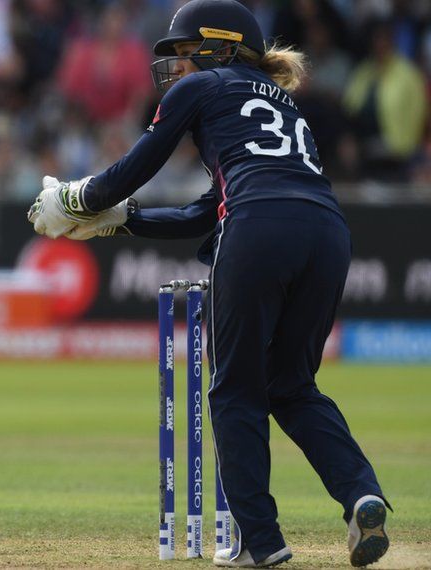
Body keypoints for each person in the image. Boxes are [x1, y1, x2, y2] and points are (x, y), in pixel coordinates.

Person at [27, 1, 389, 567]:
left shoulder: (201, 90)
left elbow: (137, 165)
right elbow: (205, 210)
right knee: (293, 386)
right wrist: (123, 219)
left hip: (257, 229)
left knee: (234, 389)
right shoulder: (286, 103)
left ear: (217, 48)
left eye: (182, 53)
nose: (177, 68)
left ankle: (262, 545)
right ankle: (361, 493)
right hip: (327, 232)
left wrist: (79, 200)